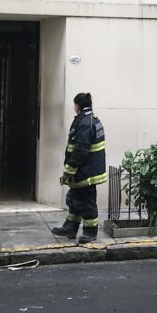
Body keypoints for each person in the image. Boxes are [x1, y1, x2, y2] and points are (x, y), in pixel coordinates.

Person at [51, 92, 106, 244]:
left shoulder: (85, 123)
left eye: (74, 105)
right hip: (86, 169)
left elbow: (81, 149)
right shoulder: (88, 120)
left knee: (86, 203)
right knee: (74, 200)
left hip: (86, 171)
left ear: (77, 105)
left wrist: (69, 169)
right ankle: (70, 227)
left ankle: (90, 232)